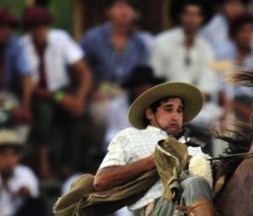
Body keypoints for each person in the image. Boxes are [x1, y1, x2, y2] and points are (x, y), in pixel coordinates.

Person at [94, 80, 235, 216]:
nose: (175, 116)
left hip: (198, 199)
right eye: (168, 109)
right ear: (150, 114)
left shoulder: (192, 144)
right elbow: (102, 181)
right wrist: (152, 161)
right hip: (160, 210)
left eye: (179, 110)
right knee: (194, 182)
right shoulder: (129, 137)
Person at [20, 6, 92, 181]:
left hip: (62, 88)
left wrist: (79, 100)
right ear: (29, 29)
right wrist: (60, 98)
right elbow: (29, 84)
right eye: (35, 27)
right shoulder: (23, 45)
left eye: (43, 26)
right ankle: (44, 165)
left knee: (81, 116)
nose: (40, 31)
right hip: (41, 94)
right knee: (44, 113)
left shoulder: (60, 39)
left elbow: (85, 72)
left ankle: (71, 165)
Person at [81, 0, 149, 151]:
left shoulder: (140, 43)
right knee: (102, 114)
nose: (124, 12)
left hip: (128, 94)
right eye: (119, 6)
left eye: (129, 7)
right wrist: (90, 91)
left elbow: (142, 75)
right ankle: (100, 155)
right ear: (109, 11)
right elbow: (80, 70)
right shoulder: (92, 38)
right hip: (99, 93)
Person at [149, 0, 222, 139]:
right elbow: (154, 78)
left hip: (198, 106)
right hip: (165, 102)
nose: (191, 19)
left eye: (196, 15)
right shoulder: (161, 42)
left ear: (202, 18)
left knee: (221, 121)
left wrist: (190, 102)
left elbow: (208, 86)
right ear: (180, 16)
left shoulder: (207, 48)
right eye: (187, 14)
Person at [0, 129, 47, 216]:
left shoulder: (24, 173)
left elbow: (35, 203)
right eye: (4, 155)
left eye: (13, 155)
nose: (9, 160)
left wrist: (26, 194)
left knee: (36, 203)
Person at [0, 7, 33, 134]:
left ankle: (13, 152)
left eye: (9, 27)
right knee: (2, 116)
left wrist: (25, 107)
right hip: (4, 102)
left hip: (6, 94)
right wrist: (11, 108)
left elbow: (27, 75)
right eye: (3, 27)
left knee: (23, 121)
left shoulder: (13, 42)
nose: (7, 31)